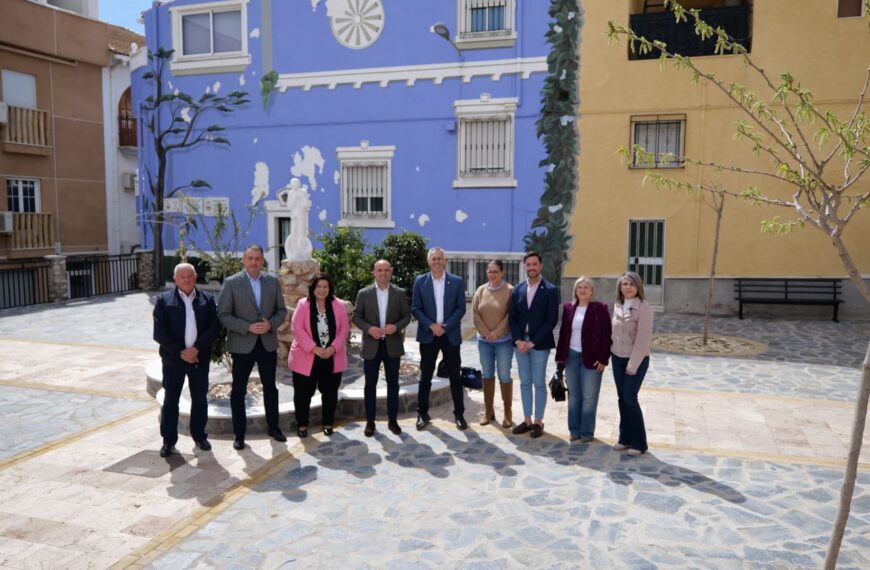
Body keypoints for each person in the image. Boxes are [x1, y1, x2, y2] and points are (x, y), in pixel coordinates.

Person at [217, 244, 288, 450]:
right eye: (250, 258)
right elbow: (223, 314)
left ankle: (274, 428)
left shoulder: (272, 282)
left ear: (262, 260)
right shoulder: (232, 283)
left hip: (267, 343)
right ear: (244, 260)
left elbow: (281, 311)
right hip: (242, 344)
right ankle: (239, 435)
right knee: (238, 390)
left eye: (257, 258)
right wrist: (246, 327)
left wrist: (270, 324)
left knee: (270, 388)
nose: (254, 262)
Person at [153, 263, 220, 457]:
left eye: (190, 276)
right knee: (171, 401)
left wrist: (196, 349)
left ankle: (199, 436)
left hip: (199, 358)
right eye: (182, 277)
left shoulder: (207, 299)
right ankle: (168, 441)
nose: (187, 280)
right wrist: (181, 351)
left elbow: (214, 328)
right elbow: (159, 333)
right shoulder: (164, 300)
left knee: (199, 399)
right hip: (173, 360)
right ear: (175, 280)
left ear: (195, 277)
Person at [352, 260, 412, 437]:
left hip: (392, 345)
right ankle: (370, 422)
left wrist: (396, 327)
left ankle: (392, 420)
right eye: (379, 270)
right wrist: (369, 329)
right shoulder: (364, 293)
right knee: (370, 385)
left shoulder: (399, 293)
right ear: (374, 273)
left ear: (391, 272)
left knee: (393, 384)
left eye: (386, 270)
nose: (383, 273)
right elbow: (356, 317)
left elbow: (407, 316)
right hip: (372, 345)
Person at [411, 247, 467, 431]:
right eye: (433, 258)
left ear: (445, 261)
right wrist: (431, 325)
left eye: (439, 258)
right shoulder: (420, 281)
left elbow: (461, 308)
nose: (436, 261)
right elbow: (416, 308)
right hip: (429, 335)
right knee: (425, 376)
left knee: (455, 377)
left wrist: (445, 327)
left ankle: (459, 415)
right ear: (429, 262)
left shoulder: (456, 281)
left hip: (450, 335)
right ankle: (422, 414)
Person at [288, 274, 349, 437]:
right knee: (302, 394)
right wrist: (313, 348)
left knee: (330, 393)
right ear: (313, 289)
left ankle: (328, 423)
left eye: (325, 287)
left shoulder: (339, 305)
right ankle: (302, 425)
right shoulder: (303, 304)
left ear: (330, 288)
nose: (322, 290)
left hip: (332, 357)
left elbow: (344, 329)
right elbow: (296, 328)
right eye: (319, 287)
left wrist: (333, 348)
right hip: (306, 356)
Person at [509, 252, 559, 438]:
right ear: (524, 267)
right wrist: (518, 340)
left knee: (538, 382)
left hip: (539, 344)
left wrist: (533, 342)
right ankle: (527, 419)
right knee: (524, 382)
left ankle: (538, 421)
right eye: (528, 264)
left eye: (534, 264)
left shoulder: (551, 290)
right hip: (520, 344)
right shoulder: (518, 289)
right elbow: (512, 318)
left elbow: (551, 320)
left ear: (541, 265)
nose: (531, 267)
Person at [555, 277, 612, 443]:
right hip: (571, 357)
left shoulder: (600, 308)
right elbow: (563, 333)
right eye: (579, 287)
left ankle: (586, 432)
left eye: (586, 287)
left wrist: (603, 359)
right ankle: (574, 430)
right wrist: (560, 357)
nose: (583, 290)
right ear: (575, 290)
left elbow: (607, 336)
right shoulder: (568, 308)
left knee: (589, 397)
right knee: (574, 396)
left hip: (592, 359)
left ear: (592, 291)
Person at [610, 271, 654, 457]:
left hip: (636, 359)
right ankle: (625, 438)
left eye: (631, 284)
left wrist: (632, 365)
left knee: (630, 397)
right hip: (617, 358)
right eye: (624, 284)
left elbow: (643, 340)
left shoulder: (644, 308)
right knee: (622, 398)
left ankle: (639, 443)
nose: (627, 287)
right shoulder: (618, 305)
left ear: (638, 287)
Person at [472, 260, 514, 427]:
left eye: (496, 271)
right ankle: (489, 411)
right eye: (490, 271)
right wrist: (486, 333)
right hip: (484, 342)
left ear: (502, 272)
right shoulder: (480, 290)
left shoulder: (510, 290)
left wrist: (496, 333)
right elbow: (475, 314)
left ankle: (507, 412)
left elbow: (511, 315)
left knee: (504, 375)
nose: (492, 274)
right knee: (487, 374)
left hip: (504, 341)